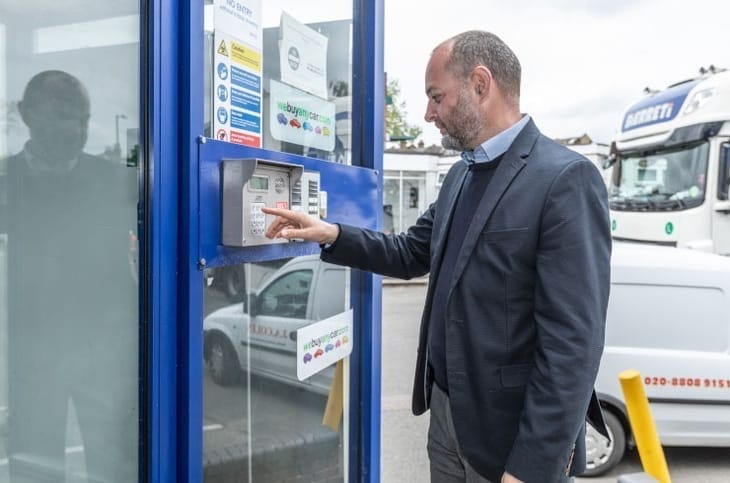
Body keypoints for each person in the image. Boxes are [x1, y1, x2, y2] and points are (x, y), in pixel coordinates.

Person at [263, 31, 611, 483]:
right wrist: (331, 234)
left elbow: (573, 344)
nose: (428, 114)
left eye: (436, 97)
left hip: (509, 440)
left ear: (481, 85)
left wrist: (531, 466)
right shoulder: (459, 177)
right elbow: (410, 252)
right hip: (447, 418)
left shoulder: (565, 179)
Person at [3, 70, 138, 481]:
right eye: (63, 115)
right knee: (35, 467)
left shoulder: (117, 181)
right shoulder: (4, 183)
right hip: (32, 356)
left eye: (82, 117)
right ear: (26, 114)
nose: (77, 128)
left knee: (114, 463)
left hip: (107, 357)